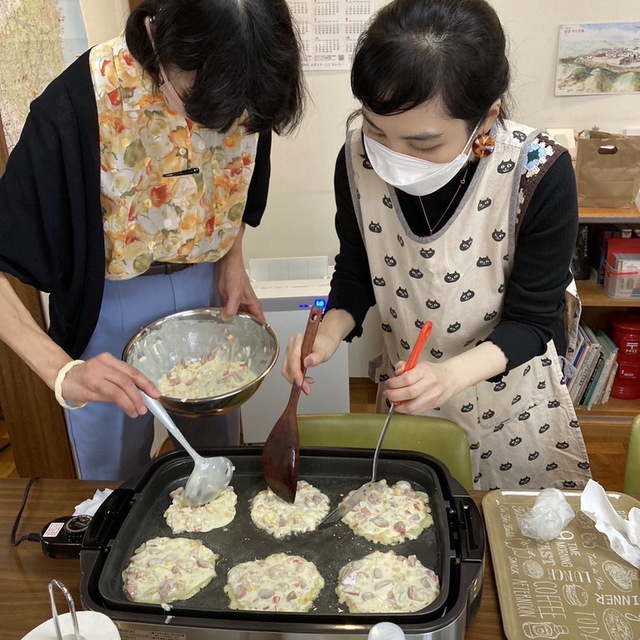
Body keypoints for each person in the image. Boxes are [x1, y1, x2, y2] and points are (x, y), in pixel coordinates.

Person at [283, 0, 591, 491]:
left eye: (424, 145)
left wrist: (449, 377)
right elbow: (357, 273)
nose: (392, 158)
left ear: (486, 119)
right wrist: (330, 332)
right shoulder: (357, 158)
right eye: (376, 129)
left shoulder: (538, 173)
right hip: (409, 398)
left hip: (510, 408)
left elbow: (534, 322)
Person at [0, 0, 305, 481]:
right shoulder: (75, 108)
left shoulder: (246, 89)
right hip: (106, 302)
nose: (225, 126)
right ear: (156, 34)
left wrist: (231, 260)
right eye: (204, 104)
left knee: (218, 462)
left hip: (205, 290)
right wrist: (62, 372)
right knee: (116, 481)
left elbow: (236, 184)